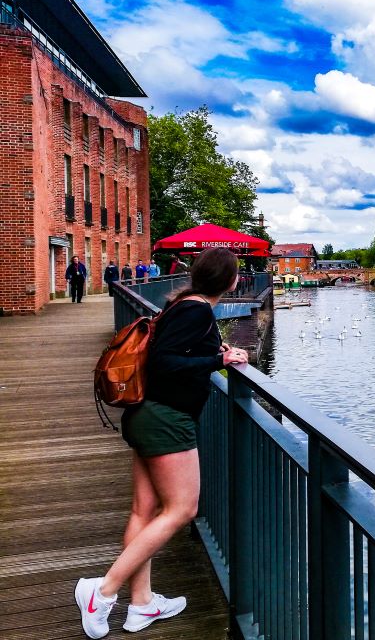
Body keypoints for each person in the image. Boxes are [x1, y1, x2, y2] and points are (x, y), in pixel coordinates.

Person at [75, 247, 248, 639]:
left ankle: (142, 604)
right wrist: (219, 362)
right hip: (167, 420)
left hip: (147, 415)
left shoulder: (182, 304)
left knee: (144, 510)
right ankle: (102, 592)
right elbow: (165, 362)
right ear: (231, 281)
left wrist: (216, 351)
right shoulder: (197, 310)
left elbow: (174, 349)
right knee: (182, 509)